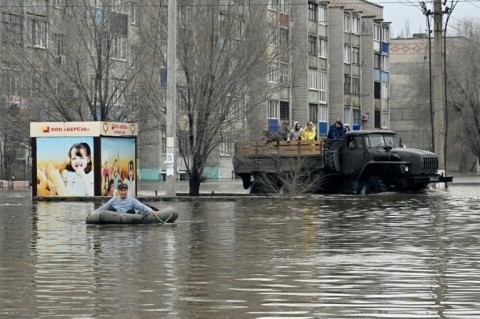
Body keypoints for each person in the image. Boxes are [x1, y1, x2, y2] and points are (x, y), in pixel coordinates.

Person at [95, 183, 160, 217]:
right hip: (115, 217)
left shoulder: (131, 200)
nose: (123, 192)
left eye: (125, 190)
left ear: (127, 191)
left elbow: (141, 206)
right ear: (118, 191)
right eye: (122, 190)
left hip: (128, 218)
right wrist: (93, 214)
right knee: (110, 209)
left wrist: (151, 211)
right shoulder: (113, 200)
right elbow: (103, 208)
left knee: (131, 211)